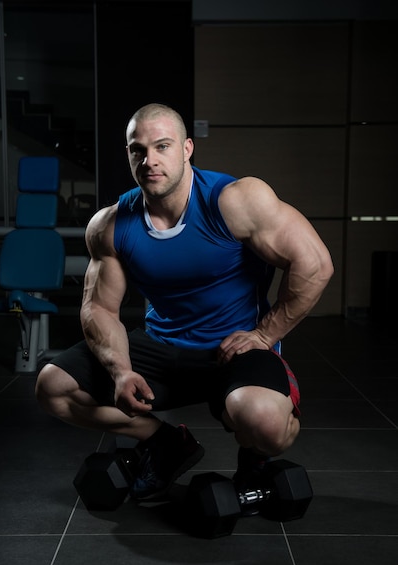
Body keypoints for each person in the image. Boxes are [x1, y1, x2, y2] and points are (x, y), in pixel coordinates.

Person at [35, 102, 334, 501]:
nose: (149, 160)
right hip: (162, 347)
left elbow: (315, 265)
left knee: (265, 424)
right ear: (128, 154)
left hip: (233, 348)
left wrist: (264, 335)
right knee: (52, 386)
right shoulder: (111, 224)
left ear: (187, 148)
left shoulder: (235, 201)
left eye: (162, 146)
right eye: (138, 150)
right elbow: (100, 308)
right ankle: (165, 442)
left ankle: (256, 460)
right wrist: (121, 371)